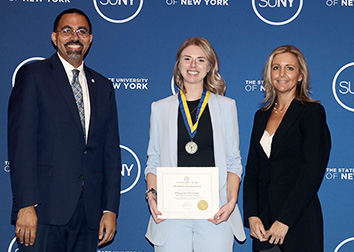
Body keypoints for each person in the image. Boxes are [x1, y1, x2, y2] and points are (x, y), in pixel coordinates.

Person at [8, 8, 121, 252]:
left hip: (89, 213)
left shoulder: (103, 86)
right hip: (43, 210)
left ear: (89, 39)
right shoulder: (33, 75)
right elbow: (21, 145)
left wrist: (109, 209)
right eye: (67, 30)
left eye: (82, 31)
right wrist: (25, 205)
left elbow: (111, 153)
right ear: (54, 37)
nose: (74, 37)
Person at [144, 37, 246, 252]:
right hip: (170, 213)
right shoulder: (160, 108)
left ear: (209, 66)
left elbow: (233, 161)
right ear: (178, 65)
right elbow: (153, 160)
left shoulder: (226, 107)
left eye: (200, 60)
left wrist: (231, 201)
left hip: (215, 211)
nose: (193, 65)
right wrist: (152, 195)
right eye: (187, 58)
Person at [243, 45, 331, 252]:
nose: (282, 74)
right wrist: (252, 215)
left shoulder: (312, 113)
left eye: (289, 68)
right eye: (276, 68)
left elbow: (312, 172)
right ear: (269, 74)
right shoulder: (261, 116)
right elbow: (253, 171)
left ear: (300, 75)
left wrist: (285, 220)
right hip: (263, 227)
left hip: (299, 223)